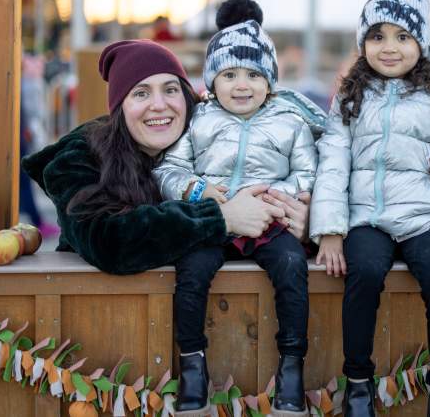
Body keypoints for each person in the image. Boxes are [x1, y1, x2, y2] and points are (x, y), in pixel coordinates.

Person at [22, 39, 310, 417]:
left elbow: (320, 180)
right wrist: (219, 219)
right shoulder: (81, 156)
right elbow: (105, 239)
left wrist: (307, 223)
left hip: (236, 360)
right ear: (119, 106)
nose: (159, 105)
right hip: (111, 363)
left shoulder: (218, 138)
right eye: (141, 93)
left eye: (171, 89)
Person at [309, 0, 430, 417]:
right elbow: (333, 163)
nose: (390, 46)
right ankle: (359, 385)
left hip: (423, 217)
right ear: (362, 43)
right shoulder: (350, 96)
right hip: (366, 216)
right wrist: (330, 230)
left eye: (403, 36)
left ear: (420, 45)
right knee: (363, 272)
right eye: (377, 36)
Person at [154, 0, 322, 417]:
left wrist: (275, 194)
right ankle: (192, 364)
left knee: (291, 268)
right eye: (229, 74)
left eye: (253, 74)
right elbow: (169, 168)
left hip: (268, 220)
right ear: (212, 81)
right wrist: (197, 190)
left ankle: (291, 365)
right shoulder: (199, 121)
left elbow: (309, 172)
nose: (241, 85)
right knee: (191, 272)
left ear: (270, 81)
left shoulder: (290, 122)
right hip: (213, 217)